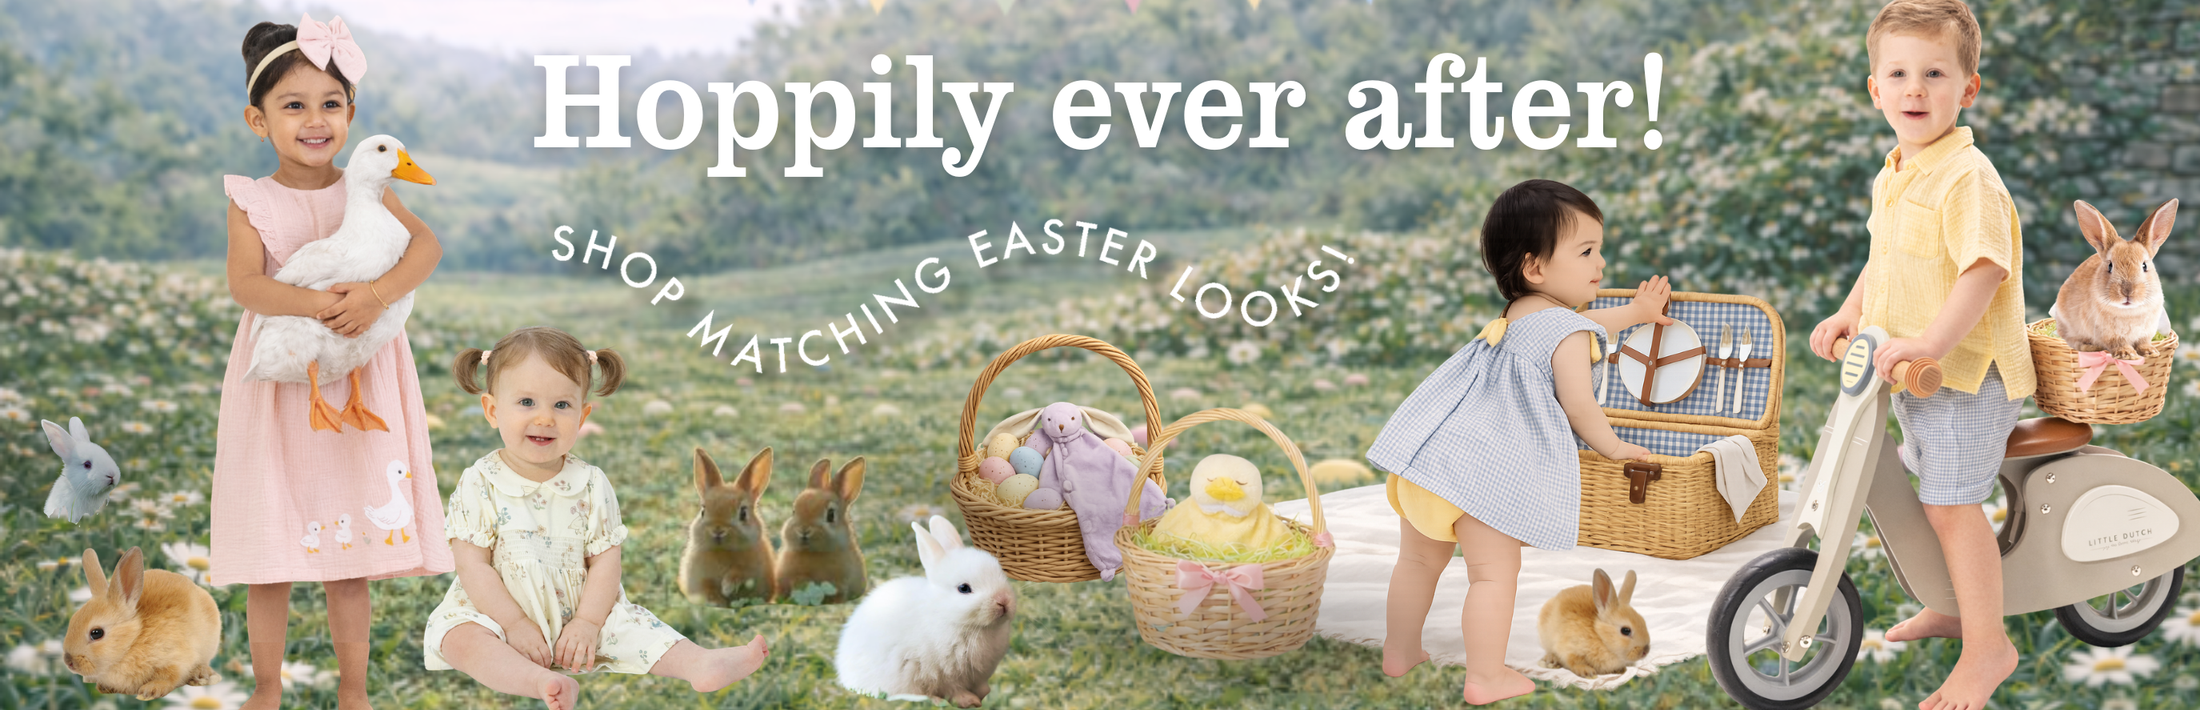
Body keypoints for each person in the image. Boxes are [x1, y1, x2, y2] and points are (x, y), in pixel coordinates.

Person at [212, 14, 452, 709]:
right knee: (272, 552)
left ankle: (354, 690)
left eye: (331, 104)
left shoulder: (367, 184)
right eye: (294, 106)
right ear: (258, 120)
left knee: (352, 555)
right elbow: (247, 286)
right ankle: (266, 687)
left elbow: (426, 248)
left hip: (362, 370)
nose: (315, 120)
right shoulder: (251, 199)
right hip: (283, 383)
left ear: (350, 113)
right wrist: (322, 305)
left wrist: (375, 296)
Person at [1368, 179, 1671, 704]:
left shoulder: (1519, 315)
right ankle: (1486, 677)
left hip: (1429, 462)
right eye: (1586, 251)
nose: (1601, 263)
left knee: (1416, 562)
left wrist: (1635, 314)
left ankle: (1400, 650)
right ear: (1535, 268)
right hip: (1483, 475)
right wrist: (1615, 448)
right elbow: (1580, 406)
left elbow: (1585, 324)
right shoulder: (1566, 332)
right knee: (1492, 578)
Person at [1809, 2, 2032, 708]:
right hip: (1910, 373)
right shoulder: (1897, 170)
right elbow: (1883, 257)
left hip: (1965, 375)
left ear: (1968, 89)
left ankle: (1988, 647)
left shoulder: (1967, 178)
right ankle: (1952, 606)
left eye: (1934, 74)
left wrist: (1932, 343)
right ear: (1874, 89)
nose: (1915, 89)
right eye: (1899, 74)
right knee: (1926, 486)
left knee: (1951, 506)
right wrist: (1851, 311)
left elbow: (1984, 270)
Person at [423, 327, 769, 710]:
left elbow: (605, 562)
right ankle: (540, 680)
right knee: (460, 637)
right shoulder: (480, 481)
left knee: (633, 626)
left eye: (561, 405)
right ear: (492, 410)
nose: (545, 418)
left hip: (581, 606)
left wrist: (587, 623)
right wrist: (514, 624)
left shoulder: (590, 483)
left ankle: (698, 663)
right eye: (526, 402)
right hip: (496, 610)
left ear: (582, 415)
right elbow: (472, 565)